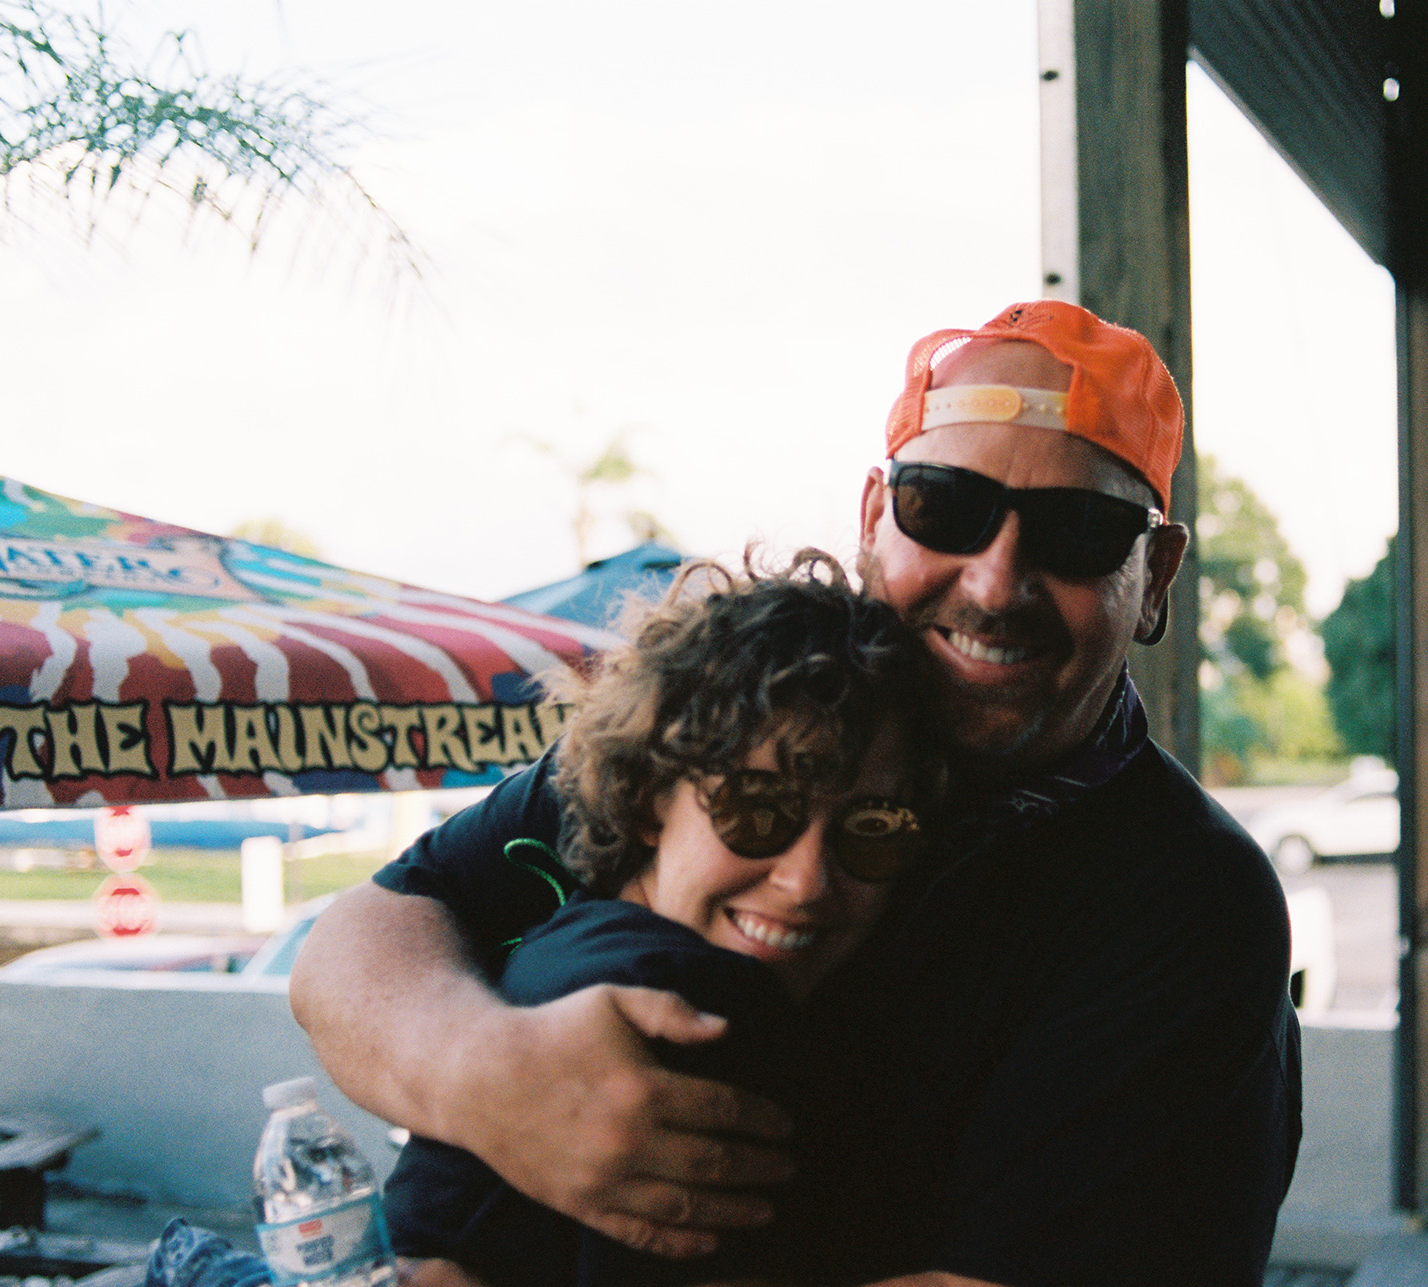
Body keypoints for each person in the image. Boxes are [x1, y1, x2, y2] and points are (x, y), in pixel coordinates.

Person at [290, 300, 1302, 1287]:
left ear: (1157, 573)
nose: (997, 581)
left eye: (1079, 532)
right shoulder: (747, 722)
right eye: (945, 507)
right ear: (875, 519)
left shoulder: (1183, 899)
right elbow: (363, 934)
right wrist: (484, 1076)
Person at [383, 553, 942, 1286]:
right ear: (651, 798)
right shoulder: (695, 1000)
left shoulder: (564, 941)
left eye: (874, 827)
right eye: (757, 807)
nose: (806, 880)